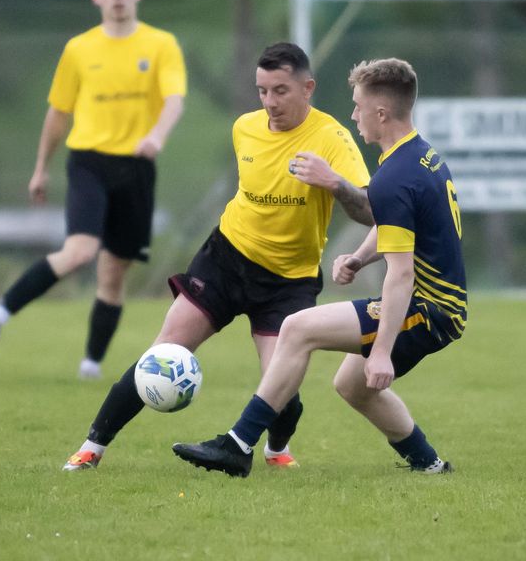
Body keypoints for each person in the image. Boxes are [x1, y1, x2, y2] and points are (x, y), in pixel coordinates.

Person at [61, 41, 373, 471]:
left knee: (281, 386)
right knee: (161, 353)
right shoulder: (244, 127)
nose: (269, 102)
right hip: (226, 259)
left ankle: (275, 450)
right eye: (262, 90)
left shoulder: (333, 139)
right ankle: (91, 449)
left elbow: (370, 209)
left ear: (308, 88)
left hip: (288, 281)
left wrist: (334, 182)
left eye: (280, 90)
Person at [172, 57, 467, 477]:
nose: (353, 114)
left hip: (430, 310)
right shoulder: (419, 157)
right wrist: (361, 257)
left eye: (358, 105)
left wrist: (381, 352)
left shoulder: (395, 176)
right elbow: (399, 225)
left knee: (297, 328)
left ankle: (237, 446)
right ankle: (430, 464)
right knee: (351, 386)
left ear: (380, 113)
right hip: (442, 306)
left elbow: (401, 273)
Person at [0, 0, 187, 379]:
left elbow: (174, 99)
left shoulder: (160, 44)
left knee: (112, 274)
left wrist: (157, 135)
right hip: (88, 163)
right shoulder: (80, 49)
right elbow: (57, 113)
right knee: (80, 252)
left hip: (137, 168)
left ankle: (90, 367)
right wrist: (40, 168)